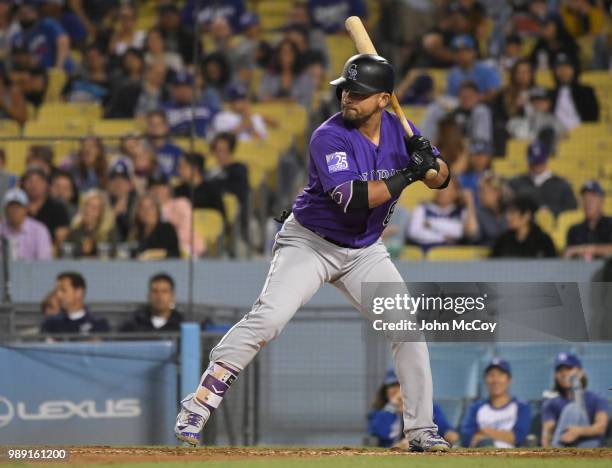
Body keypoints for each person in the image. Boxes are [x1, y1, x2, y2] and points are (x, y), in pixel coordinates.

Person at [175, 53, 453, 452]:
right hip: (311, 242)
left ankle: (422, 431)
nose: (347, 98)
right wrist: (411, 172)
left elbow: (442, 180)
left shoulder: (401, 130)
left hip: (364, 251)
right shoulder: (329, 135)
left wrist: (430, 160)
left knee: (407, 327)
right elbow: (353, 198)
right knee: (269, 319)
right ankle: (198, 404)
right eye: (345, 91)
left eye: (358, 93)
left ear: (383, 99)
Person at [368, 369, 459, 448]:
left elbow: (446, 430)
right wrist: (393, 409)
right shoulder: (378, 412)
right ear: (385, 390)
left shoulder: (430, 408)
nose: (399, 390)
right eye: (393, 385)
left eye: (402, 385)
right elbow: (381, 433)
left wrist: (449, 434)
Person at [541, 352, 609, 448]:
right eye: (560, 370)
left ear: (580, 372)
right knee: (572, 409)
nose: (564, 374)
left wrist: (578, 431)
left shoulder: (597, 398)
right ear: (556, 375)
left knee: (573, 408)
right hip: (563, 446)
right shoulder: (551, 403)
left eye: (569, 369)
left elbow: (601, 427)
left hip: (591, 448)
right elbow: (547, 433)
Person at [460, 359, 531, 448]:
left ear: (509, 379)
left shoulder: (521, 407)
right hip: (481, 456)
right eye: (491, 375)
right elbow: (467, 438)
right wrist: (505, 436)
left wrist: (486, 431)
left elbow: (518, 437)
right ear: (485, 380)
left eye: (500, 375)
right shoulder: (475, 408)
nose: (495, 380)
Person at [407, 177, 479, 251]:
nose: (441, 192)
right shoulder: (422, 208)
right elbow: (414, 232)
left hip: (452, 256)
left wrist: (431, 224)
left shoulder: (460, 211)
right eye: (439, 187)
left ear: (455, 193)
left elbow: (460, 232)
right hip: (425, 255)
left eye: (447, 189)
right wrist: (442, 238)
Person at [508, 141, 577, 217]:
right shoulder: (517, 183)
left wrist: (550, 211)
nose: (537, 165)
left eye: (540, 162)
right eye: (534, 162)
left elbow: (572, 209)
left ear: (546, 159)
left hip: (553, 226)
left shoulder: (561, 184)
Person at [148, 173, 205, 257]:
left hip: (187, 249)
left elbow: (186, 231)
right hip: (157, 252)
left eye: (161, 186)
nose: (157, 190)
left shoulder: (181, 204)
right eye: (154, 187)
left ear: (168, 188)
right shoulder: (147, 209)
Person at [41, 272, 110, 335]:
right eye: (57, 290)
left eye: (63, 290)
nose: (58, 295)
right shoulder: (50, 324)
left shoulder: (98, 323)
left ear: (79, 292)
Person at [11, 1, 71, 71]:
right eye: (21, 13)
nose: (24, 16)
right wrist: (26, 61)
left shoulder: (47, 25)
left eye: (28, 12)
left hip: (61, 73)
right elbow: (17, 58)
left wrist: (58, 68)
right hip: (37, 75)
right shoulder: (17, 36)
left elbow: (63, 39)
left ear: (36, 13)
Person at [491, 195, 556, 258]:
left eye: (512, 213)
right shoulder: (503, 240)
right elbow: (492, 264)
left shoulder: (543, 241)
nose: (508, 217)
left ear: (527, 215)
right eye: (507, 213)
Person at [257, 38, 314, 109]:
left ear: (295, 55)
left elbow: (307, 102)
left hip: (295, 116)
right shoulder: (269, 75)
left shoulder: (304, 77)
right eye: (283, 53)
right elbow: (261, 97)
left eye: (289, 53)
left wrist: (293, 104)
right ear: (278, 55)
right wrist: (283, 101)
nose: (286, 57)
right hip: (273, 115)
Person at [21, 166, 70, 245]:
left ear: (46, 184)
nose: (34, 185)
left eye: (38, 181)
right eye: (30, 181)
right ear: (23, 184)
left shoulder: (58, 208)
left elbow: (62, 237)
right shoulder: (16, 207)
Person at [550, 53, 599, 130]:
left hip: (583, 135)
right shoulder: (551, 94)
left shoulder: (586, 92)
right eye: (559, 67)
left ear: (574, 69)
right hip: (556, 135)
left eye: (567, 67)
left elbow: (593, 118)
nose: (563, 71)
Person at [0, 188, 52, 261]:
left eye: (18, 207)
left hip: (33, 271)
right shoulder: (1, 229)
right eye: (11, 207)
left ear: (26, 209)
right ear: (5, 210)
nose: (14, 211)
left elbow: (43, 261)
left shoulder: (39, 230)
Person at [565, 180, 612, 260]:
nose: (588, 202)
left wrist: (584, 249)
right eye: (585, 198)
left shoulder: (610, 224)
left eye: (593, 197)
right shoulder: (574, 230)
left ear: (601, 201)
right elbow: (568, 255)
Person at [64, 189, 118, 258]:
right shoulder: (75, 232)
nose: (88, 210)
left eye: (94, 208)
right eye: (87, 205)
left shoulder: (109, 232)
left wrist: (94, 248)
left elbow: (114, 254)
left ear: (101, 213)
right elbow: (68, 255)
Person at [163, 71, 219, 137]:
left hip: (202, 145)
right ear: (172, 90)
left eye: (186, 87)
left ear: (193, 89)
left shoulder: (207, 109)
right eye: (178, 87)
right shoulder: (164, 110)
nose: (182, 91)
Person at [446, 34, 501, 101]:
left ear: (474, 52)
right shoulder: (452, 74)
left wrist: (473, 99)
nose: (461, 54)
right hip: (461, 108)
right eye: (457, 51)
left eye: (465, 50)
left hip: (485, 107)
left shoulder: (487, 70)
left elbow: (496, 93)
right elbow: (451, 97)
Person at [128, 194, 180, 259]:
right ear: (137, 212)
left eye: (150, 207)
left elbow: (174, 253)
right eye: (142, 207)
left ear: (157, 210)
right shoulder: (135, 232)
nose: (146, 211)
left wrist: (152, 254)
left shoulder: (167, 228)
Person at [145, 110, 183, 178]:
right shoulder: (141, 149)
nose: (155, 128)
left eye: (159, 124)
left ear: (166, 127)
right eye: (151, 124)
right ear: (147, 127)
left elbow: (178, 174)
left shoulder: (176, 150)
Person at [107, 161, 138, 242]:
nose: (118, 183)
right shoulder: (102, 202)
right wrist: (113, 214)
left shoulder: (139, 203)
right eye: (114, 179)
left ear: (131, 184)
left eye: (123, 179)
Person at [475, 172, 507, 247]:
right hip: (486, 255)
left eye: (484, 191)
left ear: (498, 193)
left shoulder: (510, 210)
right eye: (480, 191)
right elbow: (474, 237)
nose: (480, 195)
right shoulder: (478, 212)